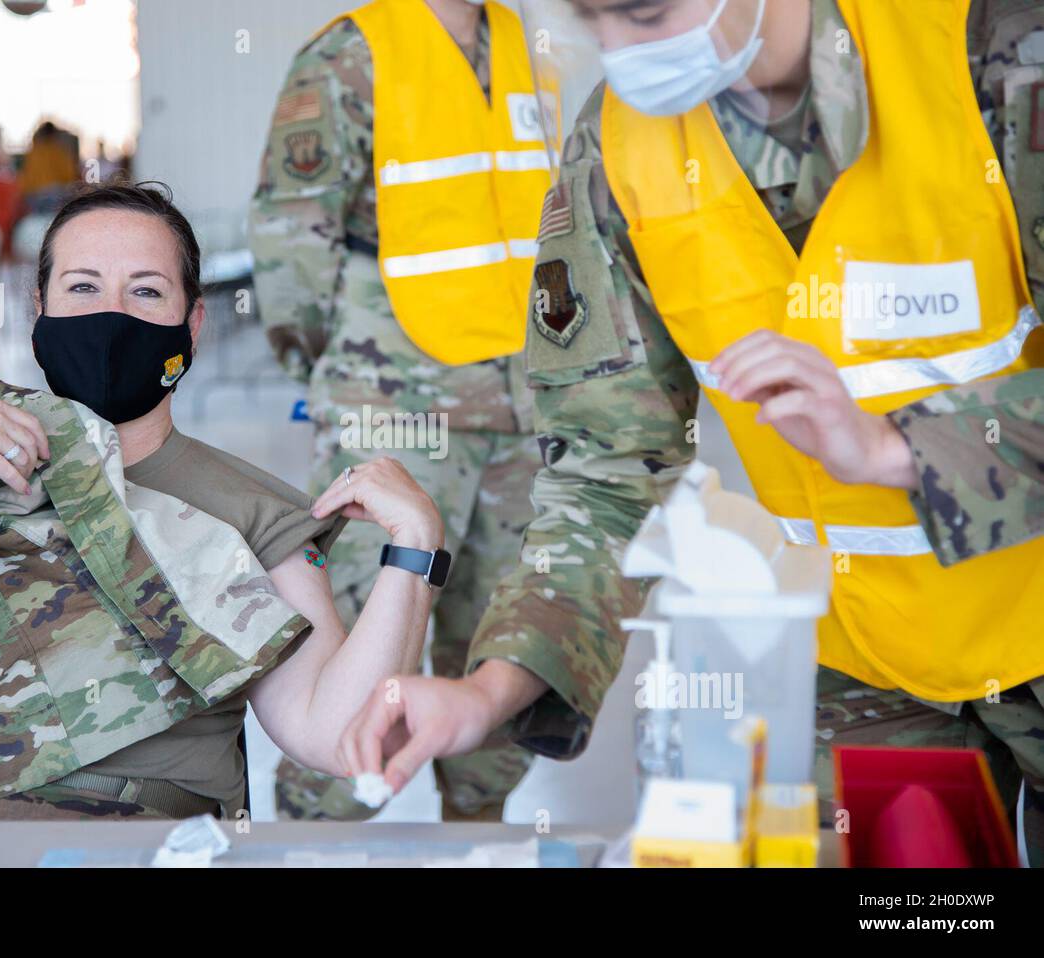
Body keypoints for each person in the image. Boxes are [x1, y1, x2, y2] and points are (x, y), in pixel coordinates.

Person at [339, 0, 1044, 865]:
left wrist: (898, 450)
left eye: (643, 12)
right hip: (868, 664)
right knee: (927, 917)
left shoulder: (991, 45)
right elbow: (605, 467)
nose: (622, 56)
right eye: (592, 20)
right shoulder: (620, 147)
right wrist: (489, 690)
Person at [0, 182, 445, 824]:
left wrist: (414, 547)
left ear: (192, 326)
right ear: (39, 310)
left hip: (117, 833)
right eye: (83, 287)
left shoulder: (252, 510)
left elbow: (330, 732)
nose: (111, 314)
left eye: (145, 292)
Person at [249, 0, 552, 822]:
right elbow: (291, 237)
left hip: (520, 409)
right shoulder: (354, 50)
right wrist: (333, 371)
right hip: (395, 411)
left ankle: (479, 834)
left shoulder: (521, 41)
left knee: (499, 652)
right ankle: (318, 840)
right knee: (358, 662)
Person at [17, 121, 79, 214]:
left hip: (35, 196)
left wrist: (24, 193)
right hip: (54, 194)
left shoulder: (33, 153)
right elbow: (69, 174)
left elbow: (26, 176)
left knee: (38, 222)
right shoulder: (58, 151)